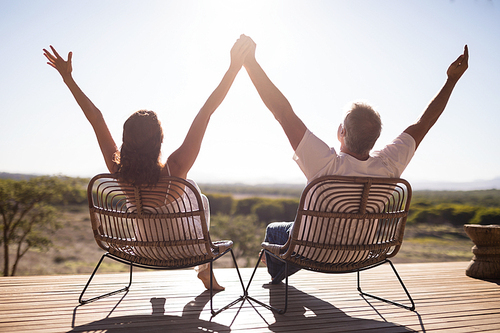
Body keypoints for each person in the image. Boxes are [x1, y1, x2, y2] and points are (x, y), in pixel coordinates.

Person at [241, 35, 469, 284]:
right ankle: (283, 261)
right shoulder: (389, 165)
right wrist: (451, 81)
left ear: (342, 132)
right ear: (375, 139)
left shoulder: (326, 164)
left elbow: (283, 112)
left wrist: (249, 62)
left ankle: (278, 269)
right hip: (359, 254)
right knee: (296, 227)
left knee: (275, 230)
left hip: (311, 252)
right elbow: (425, 123)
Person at [43, 35, 251, 291]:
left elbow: (96, 119)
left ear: (125, 141)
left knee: (197, 195)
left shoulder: (119, 172)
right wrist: (233, 68)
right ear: (159, 142)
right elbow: (205, 113)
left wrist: (68, 80)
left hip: (144, 248)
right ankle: (205, 271)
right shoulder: (176, 167)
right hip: (187, 251)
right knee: (198, 193)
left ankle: (200, 275)